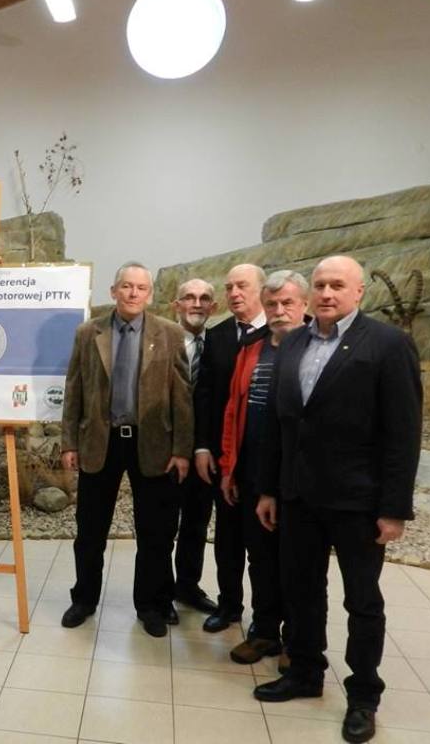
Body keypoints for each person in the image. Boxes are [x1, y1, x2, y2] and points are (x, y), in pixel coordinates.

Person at [253, 256, 422, 744]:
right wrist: (269, 489)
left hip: (358, 502)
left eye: (338, 285)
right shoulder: (294, 342)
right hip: (299, 497)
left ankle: (364, 695)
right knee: (301, 591)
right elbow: (282, 426)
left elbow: (403, 433)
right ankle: (305, 671)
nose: (327, 293)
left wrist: (394, 508)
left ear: (359, 292)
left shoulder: (388, 344)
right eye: (321, 284)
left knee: (362, 601)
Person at [60, 263, 192, 638]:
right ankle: (84, 599)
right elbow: (74, 389)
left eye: (141, 288)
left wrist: (182, 449)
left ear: (150, 294)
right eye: (127, 286)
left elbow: (182, 397)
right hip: (100, 442)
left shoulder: (170, 334)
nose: (133, 293)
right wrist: (69, 441)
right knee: (90, 531)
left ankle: (149, 605)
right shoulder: (89, 333)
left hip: (153, 445)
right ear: (114, 290)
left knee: (154, 532)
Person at [217, 270, 307, 665]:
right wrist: (229, 467)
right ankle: (265, 632)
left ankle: (298, 642)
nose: (279, 310)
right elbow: (233, 409)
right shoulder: (251, 348)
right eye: (272, 304)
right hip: (253, 472)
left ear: (303, 305)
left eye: (288, 303)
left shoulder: (316, 347)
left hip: (298, 478)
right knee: (261, 557)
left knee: (298, 563)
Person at [193, 263, 267, 633]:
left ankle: (266, 619)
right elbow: (206, 396)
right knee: (227, 540)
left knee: (264, 546)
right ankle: (229, 606)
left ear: (262, 290)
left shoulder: (283, 332)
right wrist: (202, 447)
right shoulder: (218, 336)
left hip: (265, 460)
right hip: (225, 458)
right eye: (229, 287)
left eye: (242, 286)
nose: (234, 293)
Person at [170, 278, 219, 614]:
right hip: (165, 451)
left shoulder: (221, 344)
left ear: (213, 307)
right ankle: (159, 593)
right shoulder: (159, 341)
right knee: (161, 527)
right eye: (189, 297)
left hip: (205, 452)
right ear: (177, 305)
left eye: (204, 298)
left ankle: (187, 587)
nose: (196, 304)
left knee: (196, 524)